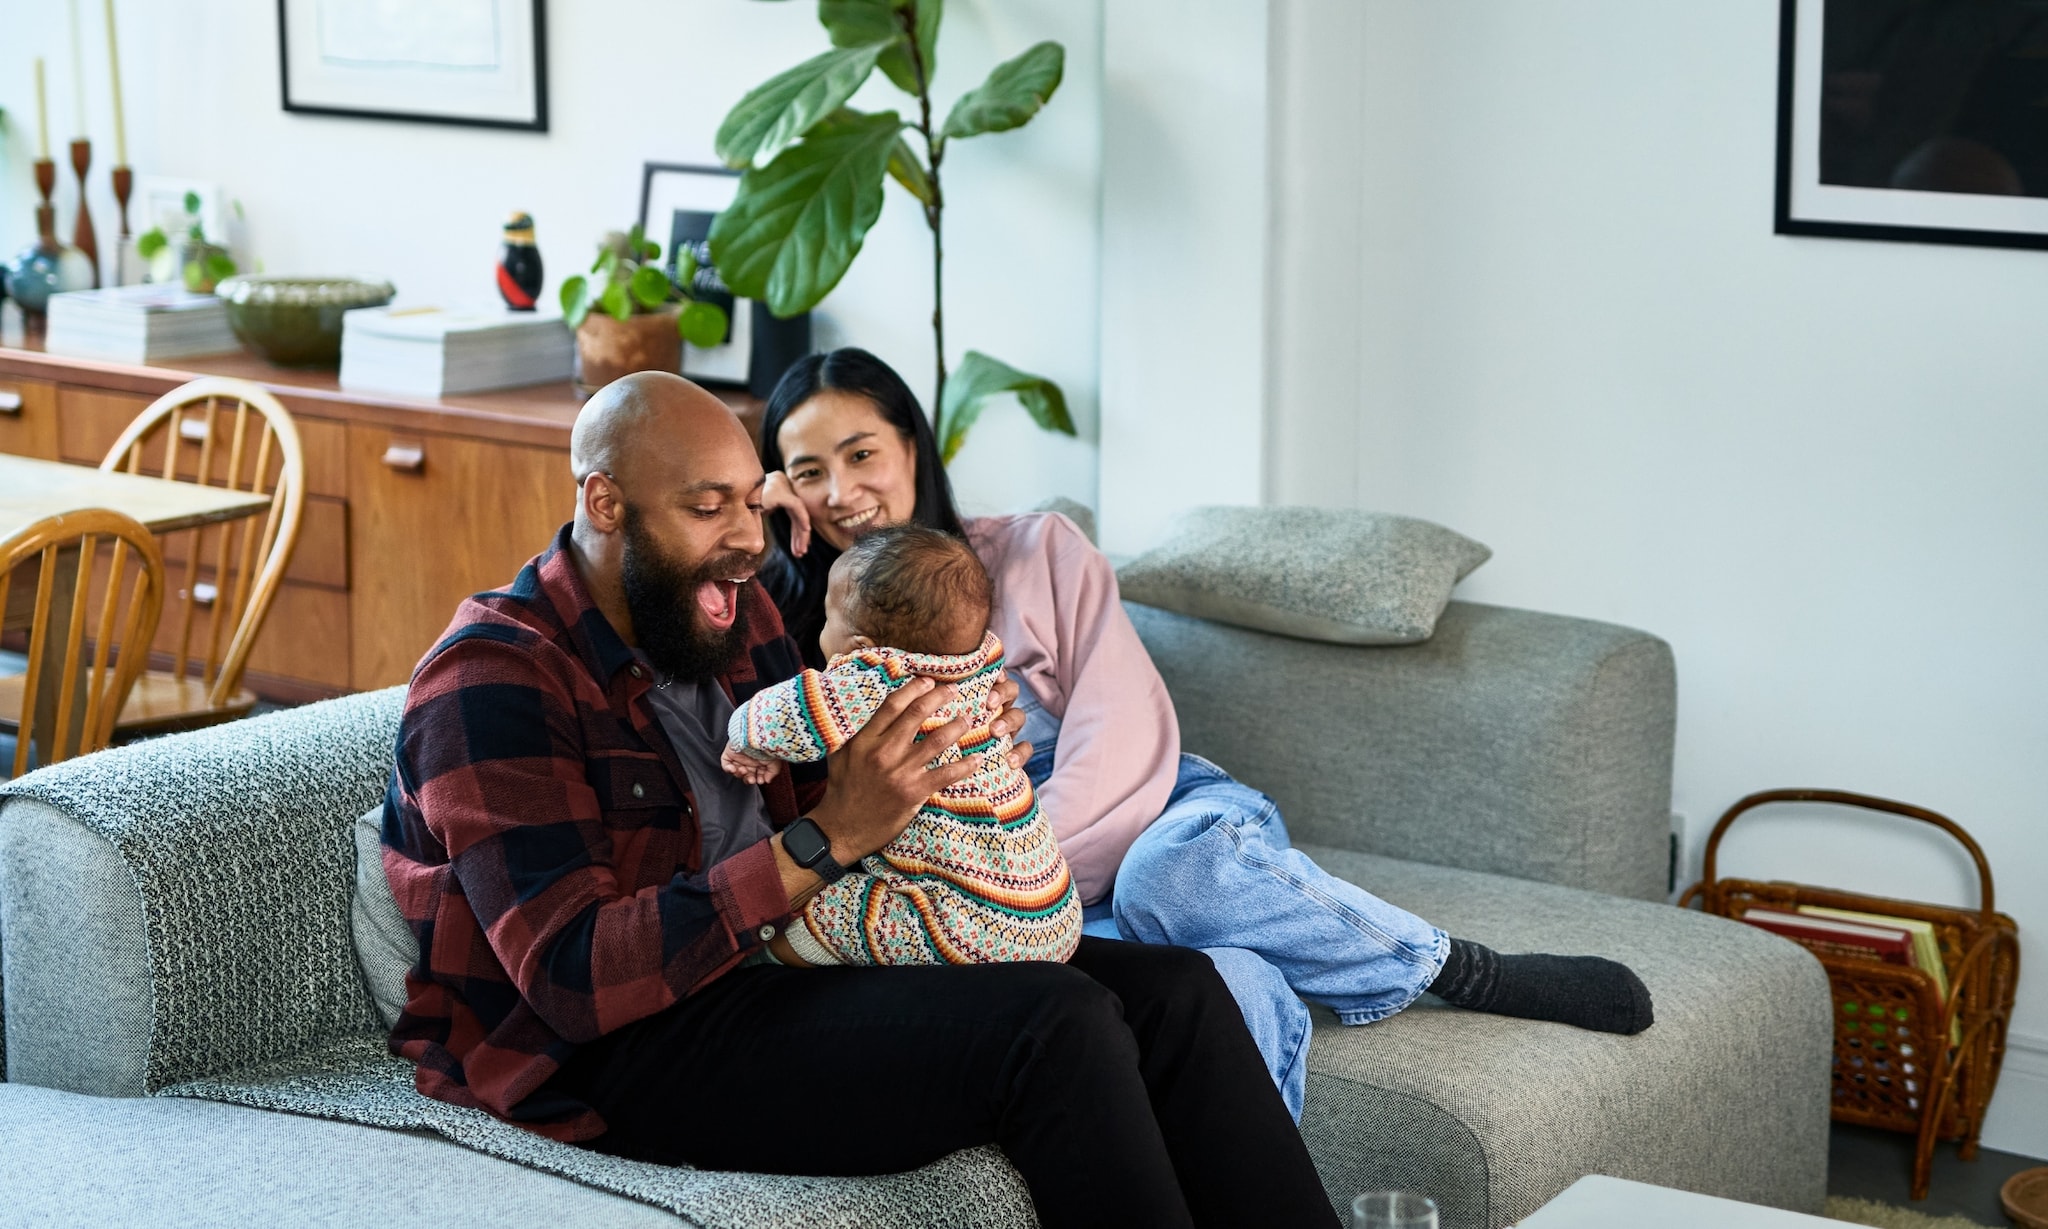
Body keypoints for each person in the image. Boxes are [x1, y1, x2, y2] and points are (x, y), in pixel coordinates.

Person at [380, 370, 1339, 1229]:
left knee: (1180, 990)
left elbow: (829, 753)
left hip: (780, 962)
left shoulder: (733, 611)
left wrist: (943, 742)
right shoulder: (492, 679)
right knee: (1055, 1025)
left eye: (753, 505)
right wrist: (825, 838)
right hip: (613, 1047)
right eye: (709, 509)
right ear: (605, 502)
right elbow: (575, 978)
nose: (747, 543)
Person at [758, 348, 1656, 1120]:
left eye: (861, 451)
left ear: (912, 442)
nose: (841, 492)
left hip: (1149, 817)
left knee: (1169, 877)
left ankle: (1460, 968)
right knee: (1224, 987)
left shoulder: (1035, 550)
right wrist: (761, 545)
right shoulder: (809, 645)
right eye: (804, 472)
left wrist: (1015, 878)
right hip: (1018, 900)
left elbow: (1125, 729)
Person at [722, 523, 1082, 967]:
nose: (821, 628)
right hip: (1054, 909)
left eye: (828, 616)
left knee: (839, 908)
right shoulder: (982, 666)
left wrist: (746, 740)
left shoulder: (879, 676)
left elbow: (790, 714)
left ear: (862, 646)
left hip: (967, 927)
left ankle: (771, 959)